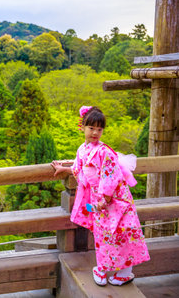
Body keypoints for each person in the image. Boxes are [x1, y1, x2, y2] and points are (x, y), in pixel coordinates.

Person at [51, 106, 150, 286]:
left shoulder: (105, 152)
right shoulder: (83, 149)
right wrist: (64, 169)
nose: (95, 133)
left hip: (115, 199)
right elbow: (79, 169)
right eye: (91, 128)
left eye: (99, 129)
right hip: (100, 200)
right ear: (82, 127)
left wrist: (104, 198)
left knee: (124, 233)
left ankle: (124, 272)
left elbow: (110, 177)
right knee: (104, 234)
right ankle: (103, 269)